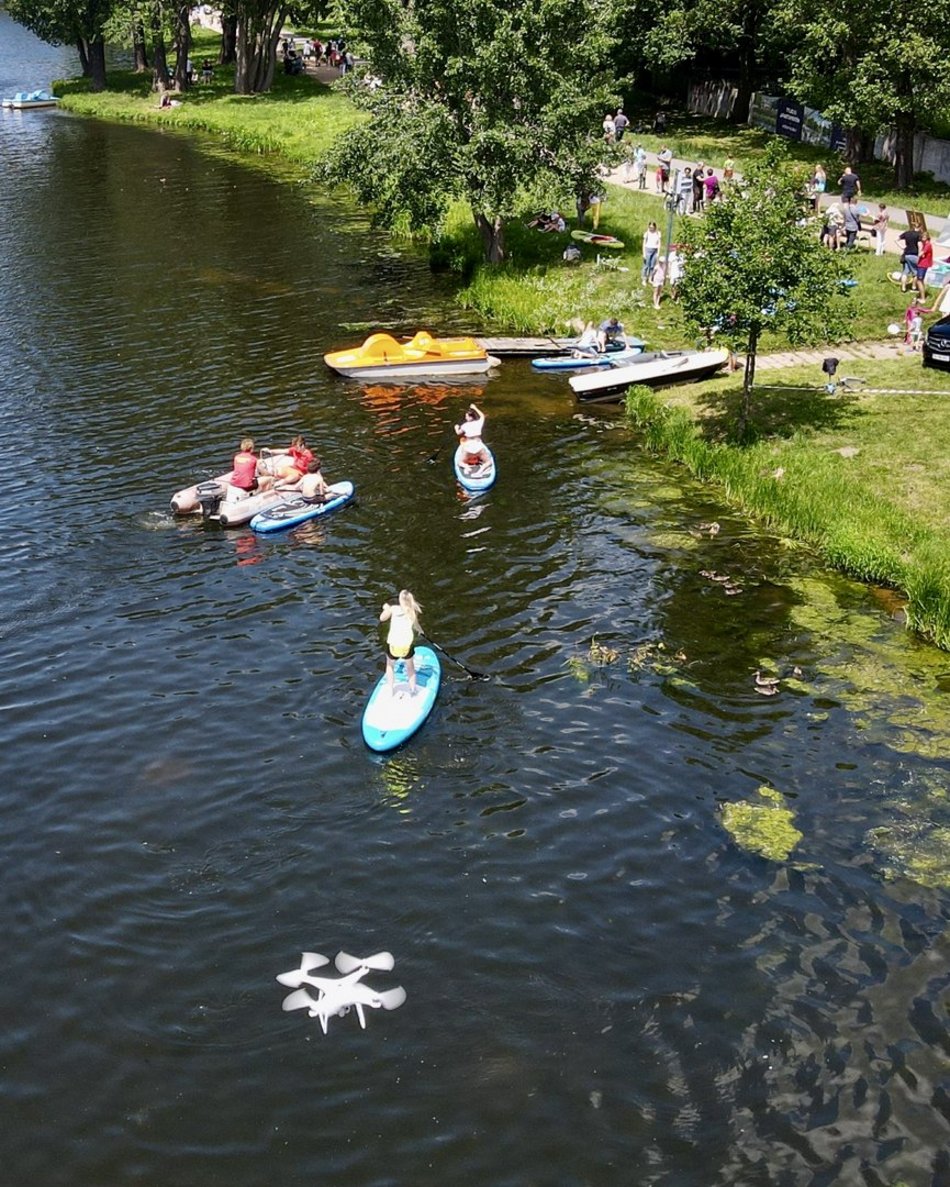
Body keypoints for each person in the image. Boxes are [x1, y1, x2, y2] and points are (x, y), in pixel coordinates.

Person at [380, 590, 422, 696]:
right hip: (406, 645)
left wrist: (386, 608)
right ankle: (413, 689)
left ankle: (390, 689)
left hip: (394, 645)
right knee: (410, 666)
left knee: (390, 665)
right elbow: (416, 626)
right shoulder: (413, 609)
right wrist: (421, 631)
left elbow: (382, 618)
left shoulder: (393, 609)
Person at [454, 402, 489, 467]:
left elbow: (458, 433)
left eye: (466, 416)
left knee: (460, 462)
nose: (465, 418)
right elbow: (482, 415)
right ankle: (480, 471)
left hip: (468, 447)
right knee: (488, 462)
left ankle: (466, 467)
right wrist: (475, 408)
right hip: (478, 446)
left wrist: (456, 428)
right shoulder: (479, 422)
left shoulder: (464, 425)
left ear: (471, 417)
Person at [898, 226, 921, 293]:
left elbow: (895, 239)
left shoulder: (906, 233)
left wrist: (902, 247)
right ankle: (913, 287)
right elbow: (919, 246)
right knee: (916, 272)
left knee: (905, 272)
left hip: (906, 255)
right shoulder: (918, 235)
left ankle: (903, 288)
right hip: (914, 255)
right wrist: (919, 255)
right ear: (919, 227)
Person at [916, 231, 934, 299]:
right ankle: (922, 295)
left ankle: (922, 298)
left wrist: (919, 247)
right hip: (922, 264)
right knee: (921, 280)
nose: (923, 238)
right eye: (922, 237)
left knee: (919, 281)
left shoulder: (927, 245)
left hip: (923, 265)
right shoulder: (925, 244)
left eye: (924, 237)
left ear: (927, 237)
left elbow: (919, 254)